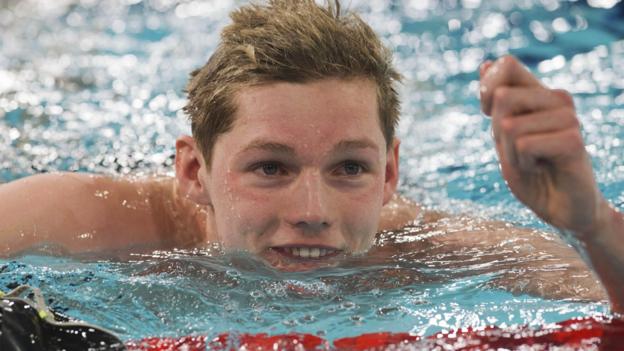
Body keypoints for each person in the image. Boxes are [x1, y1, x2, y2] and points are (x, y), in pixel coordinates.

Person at [1, 0, 623, 313]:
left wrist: (590, 221)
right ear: (194, 173)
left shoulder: (426, 250)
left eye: (349, 168)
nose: (313, 211)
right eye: (270, 167)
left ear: (389, 174)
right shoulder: (96, 219)